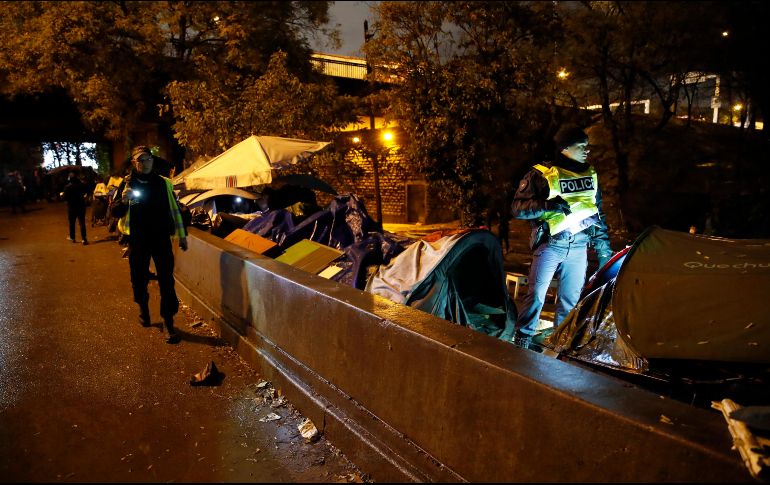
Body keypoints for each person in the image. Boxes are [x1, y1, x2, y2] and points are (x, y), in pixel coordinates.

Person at [511, 125, 613, 339]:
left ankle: (559, 348)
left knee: (570, 302)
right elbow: (518, 209)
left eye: (587, 146)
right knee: (536, 297)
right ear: (565, 148)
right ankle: (522, 342)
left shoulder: (591, 175)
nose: (587, 150)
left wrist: (605, 253)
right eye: (582, 146)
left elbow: (598, 215)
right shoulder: (541, 175)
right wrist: (549, 206)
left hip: (579, 247)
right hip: (551, 245)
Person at [110, 146, 188, 344]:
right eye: (140, 160)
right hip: (137, 239)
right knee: (138, 278)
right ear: (134, 163)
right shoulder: (126, 184)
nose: (144, 163)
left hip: (161, 238)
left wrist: (182, 235)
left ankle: (168, 321)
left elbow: (174, 209)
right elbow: (115, 212)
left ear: (152, 161)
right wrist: (124, 201)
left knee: (166, 280)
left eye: (147, 159)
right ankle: (143, 309)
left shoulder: (164, 184)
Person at [61, 172, 89, 245]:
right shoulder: (82, 185)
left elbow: (64, 198)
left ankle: (72, 237)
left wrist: (62, 195)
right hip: (81, 206)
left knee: (72, 223)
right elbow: (86, 192)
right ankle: (84, 239)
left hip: (71, 207)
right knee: (82, 223)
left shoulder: (67, 187)